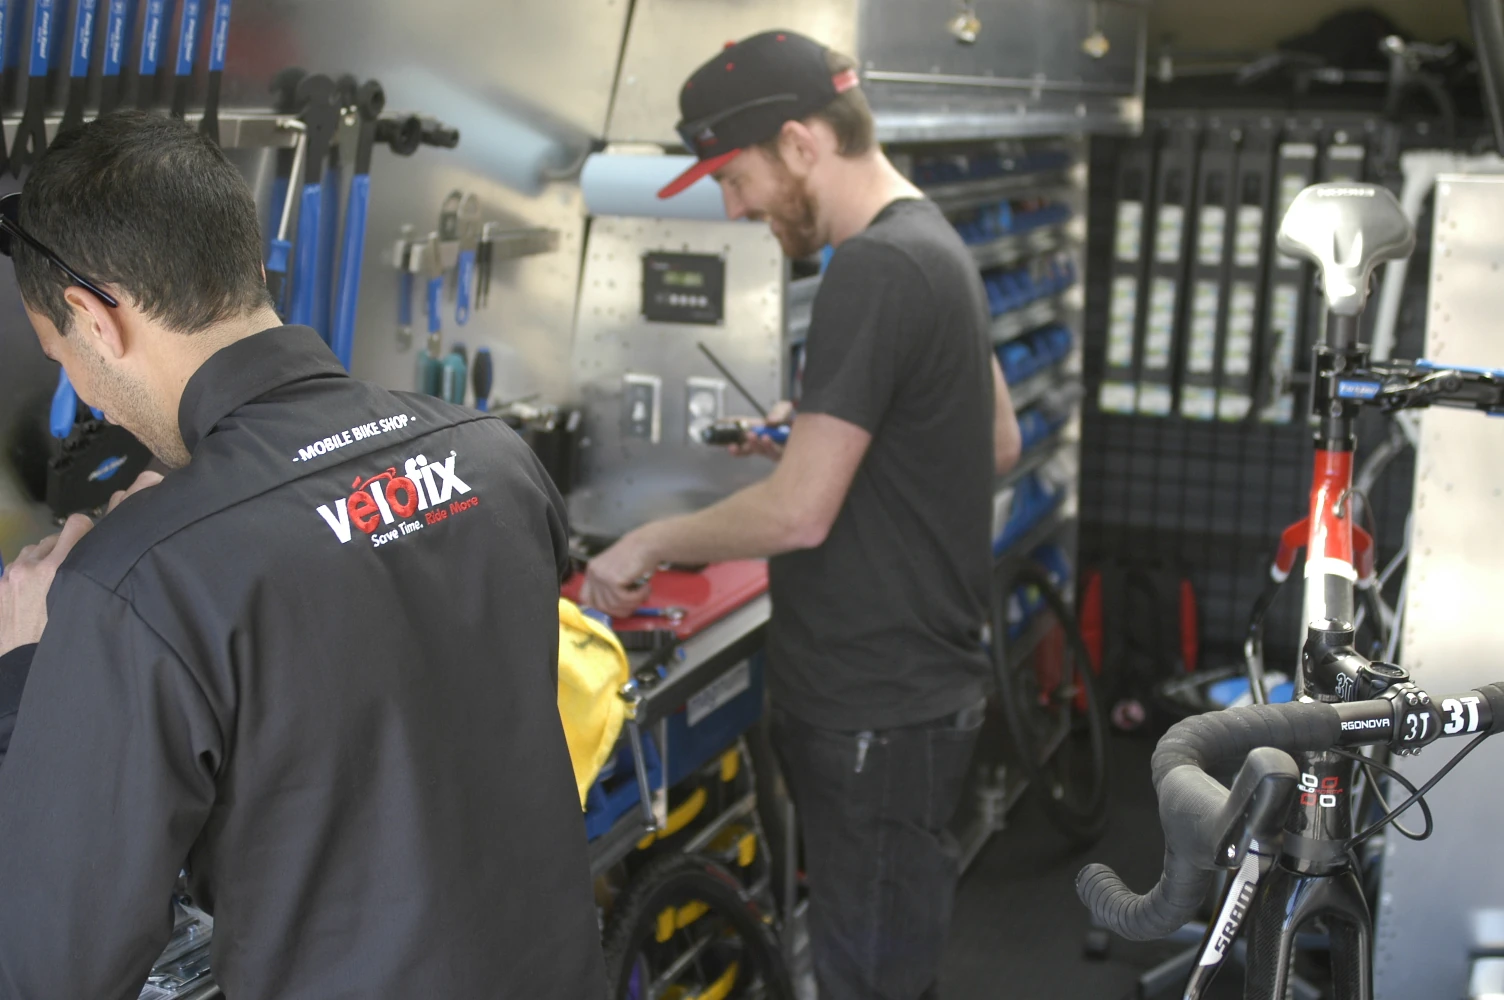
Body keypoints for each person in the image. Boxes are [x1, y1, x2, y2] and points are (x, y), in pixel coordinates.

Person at [0, 112, 606, 999]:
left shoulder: (143, 578)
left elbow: (50, 967)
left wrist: (28, 676)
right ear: (246, 265)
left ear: (95, 318)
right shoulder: (491, 454)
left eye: (64, 358)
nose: (83, 394)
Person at [581, 30, 1022, 1000]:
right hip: (923, 696)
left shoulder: (870, 268)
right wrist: (834, 419)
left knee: (868, 979)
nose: (735, 207)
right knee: (891, 958)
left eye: (735, 179)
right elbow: (994, 440)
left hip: (873, 706)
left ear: (798, 142)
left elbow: (799, 514)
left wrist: (647, 541)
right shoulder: (931, 239)